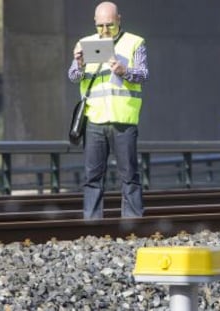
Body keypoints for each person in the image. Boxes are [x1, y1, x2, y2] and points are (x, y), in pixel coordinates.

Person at [68, 1, 148, 219]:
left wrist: (124, 71)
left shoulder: (134, 42)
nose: (104, 30)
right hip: (95, 120)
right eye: (100, 26)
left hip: (123, 120)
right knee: (92, 177)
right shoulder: (85, 43)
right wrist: (80, 64)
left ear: (119, 20)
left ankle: (134, 223)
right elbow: (73, 77)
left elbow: (143, 74)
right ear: (95, 22)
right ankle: (92, 225)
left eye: (110, 25)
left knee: (129, 175)